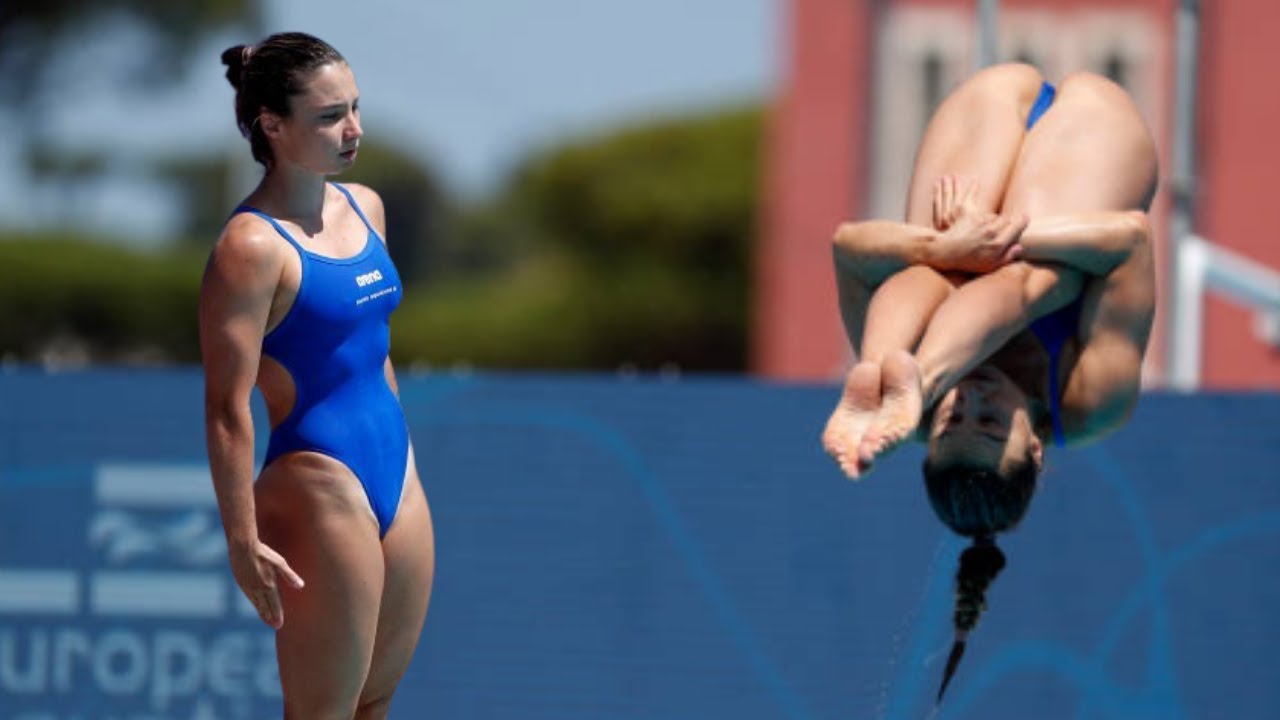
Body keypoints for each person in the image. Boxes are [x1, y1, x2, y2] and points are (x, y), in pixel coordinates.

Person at [819, 63, 1157, 701]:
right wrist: (1005, 239)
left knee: (925, 280)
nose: (973, 401)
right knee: (1027, 285)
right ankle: (924, 367)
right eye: (993, 421)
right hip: (1092, 140)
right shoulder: (1090, 402)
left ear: (924, 431)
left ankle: (885, 364)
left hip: (988, 124)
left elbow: (847, 246)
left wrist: (947, 247)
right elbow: (1132, 240)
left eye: (952, 420)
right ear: (1034, 446)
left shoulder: (905, 410)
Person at [199, 32, 434, 719]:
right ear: (272, 125)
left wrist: (400, 461)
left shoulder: (366, 205)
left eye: (355, 108)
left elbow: (374, 350)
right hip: (320, 478)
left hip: (398, 471)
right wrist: (242, 540)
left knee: (376, 702)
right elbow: (224, 407)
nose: (353, 129)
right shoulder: (249, 246)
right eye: (330, 115)